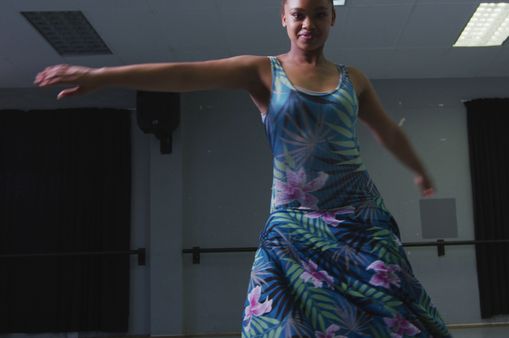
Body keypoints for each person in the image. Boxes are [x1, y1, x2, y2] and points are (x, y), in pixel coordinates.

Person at [35, 0, 452, 336]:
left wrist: (419, 170)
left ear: (333, 17)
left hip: (358, 219)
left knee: (393, 313)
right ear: (284, 19)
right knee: (273, 319)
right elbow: (185, 75)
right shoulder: (262, 71)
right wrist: (102, 76)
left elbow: (386, 132)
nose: (309, 24)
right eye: (299, 15)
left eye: (319, 14)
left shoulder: (352, 79)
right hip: (292, 224)